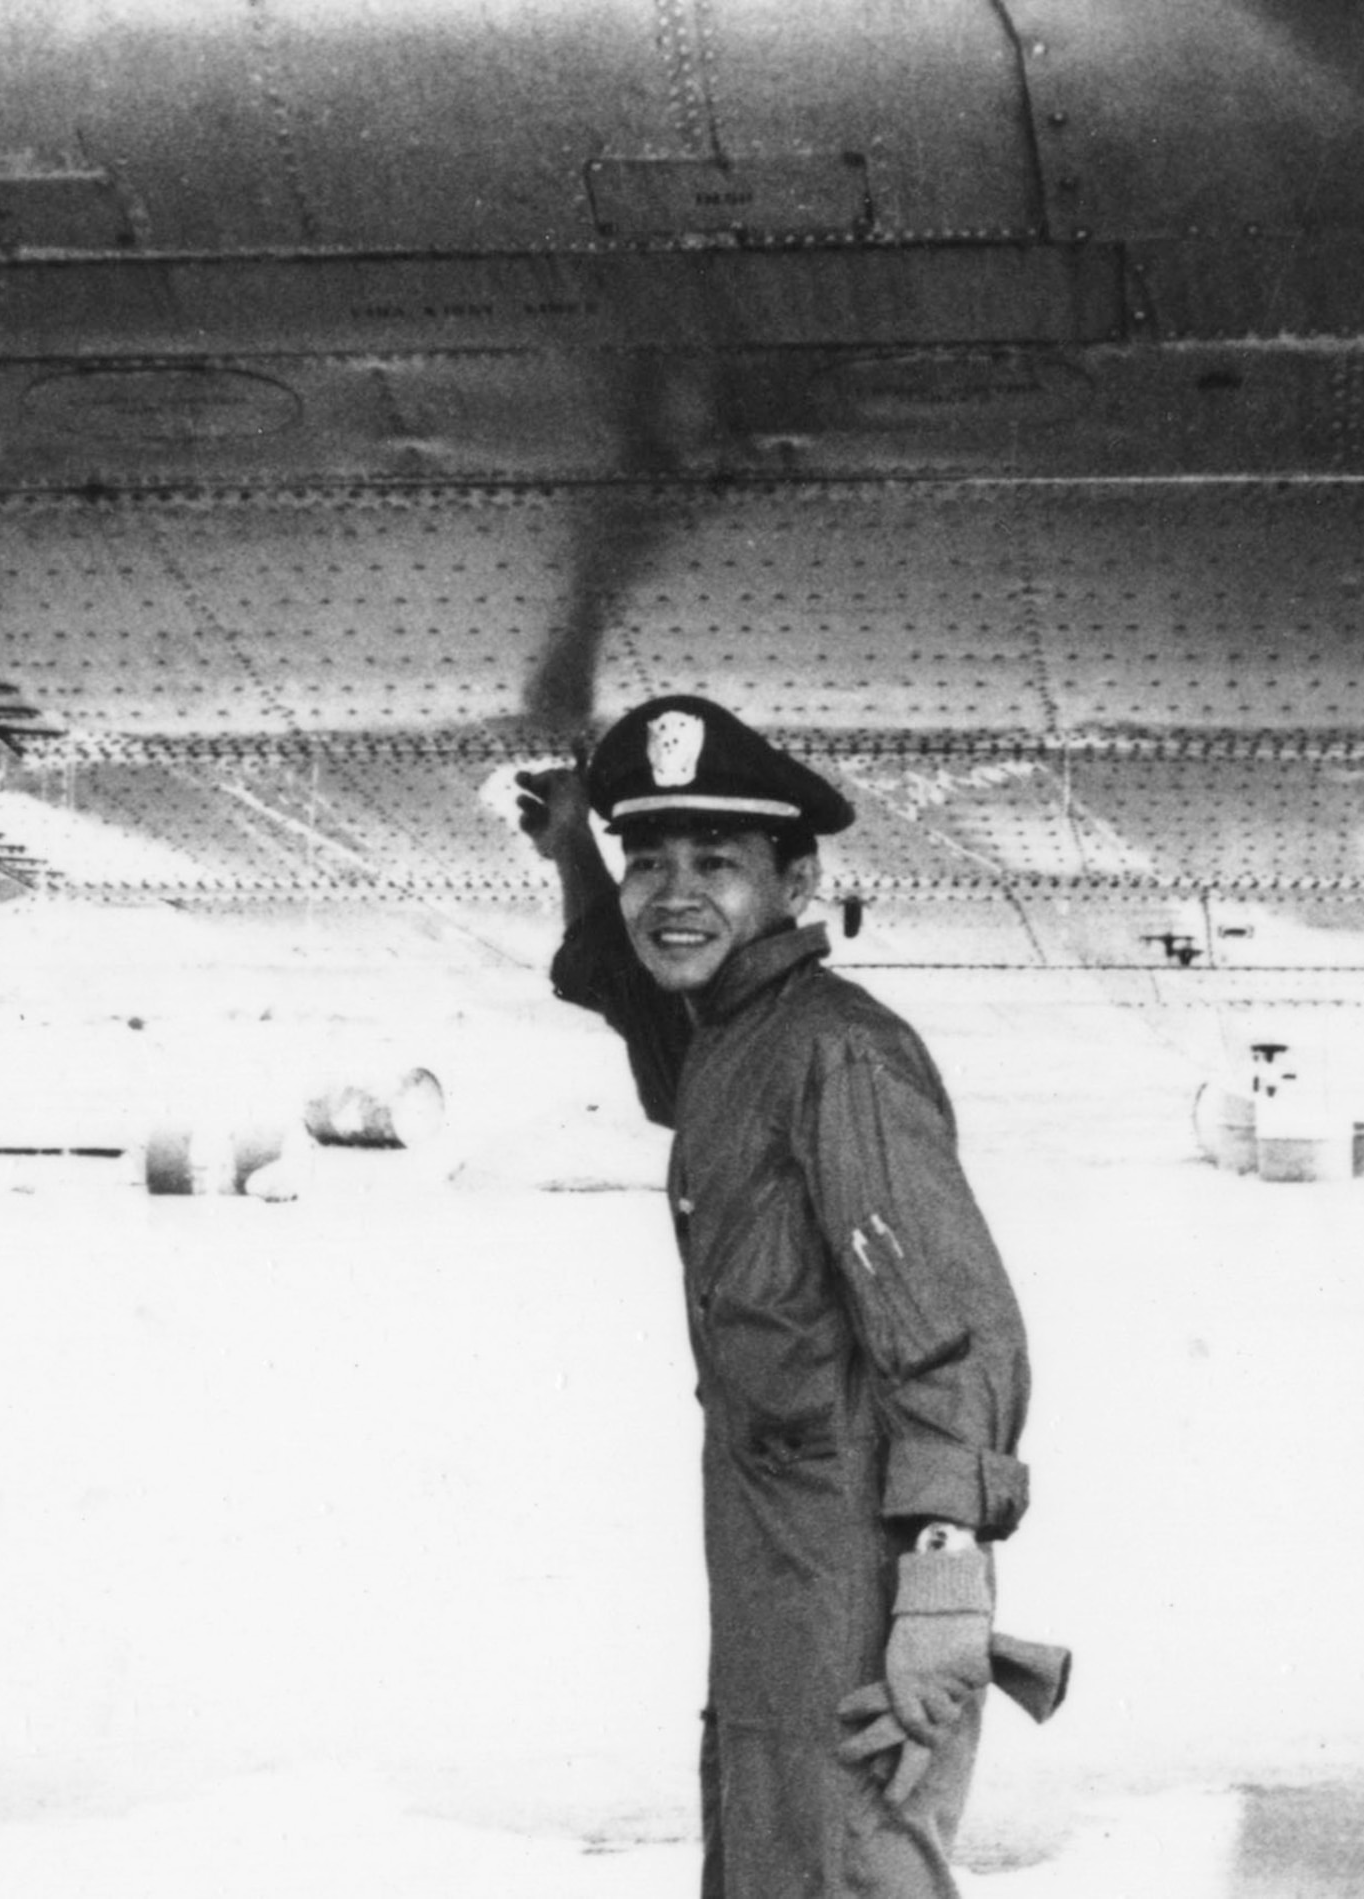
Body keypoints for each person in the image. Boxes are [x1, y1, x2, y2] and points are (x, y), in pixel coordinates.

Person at [516, 696, 1033, 1899]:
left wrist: (945, 1586)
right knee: (766, 1864)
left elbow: (952, 1332)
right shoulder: (732, 1042)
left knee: (845, 1870)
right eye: (651, 862)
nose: (672, 891)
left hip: (857, 1564)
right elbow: (631, 984)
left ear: (796, 881)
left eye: (716, 863)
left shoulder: (833, 1053)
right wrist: (575, 857)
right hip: (771, 1557)